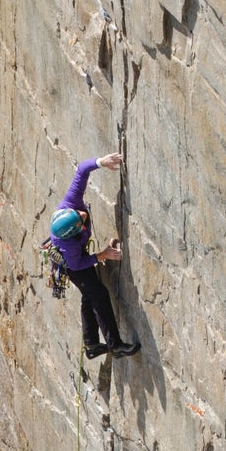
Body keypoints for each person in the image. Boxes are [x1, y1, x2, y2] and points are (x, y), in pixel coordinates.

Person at [50, 152, 140, 359]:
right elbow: (78, 264)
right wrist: (102, 255)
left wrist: (101, 162)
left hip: (76, 258)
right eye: (80, 220)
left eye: (78, 213)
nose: (82, 214)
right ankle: (115, 345)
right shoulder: (69, 246)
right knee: (98, 295)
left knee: (89, 296)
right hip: (73, 266)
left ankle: (91, 345)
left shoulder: (69, 203)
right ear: (74, 233)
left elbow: (82, 170)